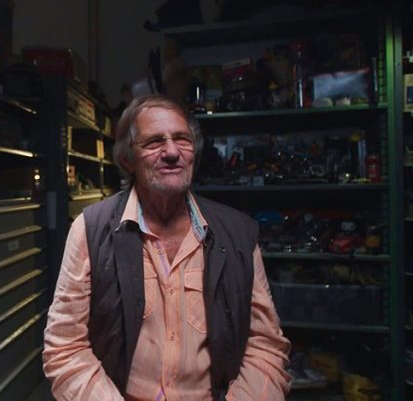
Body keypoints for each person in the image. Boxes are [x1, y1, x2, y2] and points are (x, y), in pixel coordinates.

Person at [43, 94, 291, 400]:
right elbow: (65, 346)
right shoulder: (91, 230)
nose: (172, 152)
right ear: (128, 160)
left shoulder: (238, 234)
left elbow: (265, 348)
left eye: (182, 139)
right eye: (154, 142)